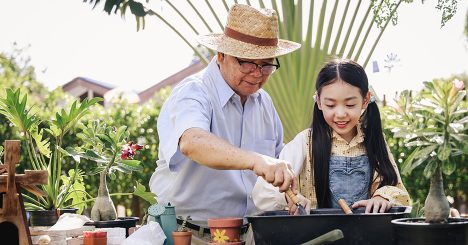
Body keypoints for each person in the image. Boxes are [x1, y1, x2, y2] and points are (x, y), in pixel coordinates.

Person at [149, 3, 301, 242]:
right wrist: (256, 160)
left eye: (267, 64)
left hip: (250, 236)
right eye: (248, 62)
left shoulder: (264, 103)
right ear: (221, 55)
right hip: (190, 235)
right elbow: (192, 142)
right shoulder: (194, 92)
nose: (257, 73)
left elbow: (275, 159)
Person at [252, 59, 411, 215]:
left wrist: (380, 197)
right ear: (319, 102)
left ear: (365, 100)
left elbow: (396, 187)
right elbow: (262, 192)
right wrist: (290, 198)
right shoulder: (304, 142)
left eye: (349, 105)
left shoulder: (374, 139)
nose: (340, 114)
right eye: (330, 105)